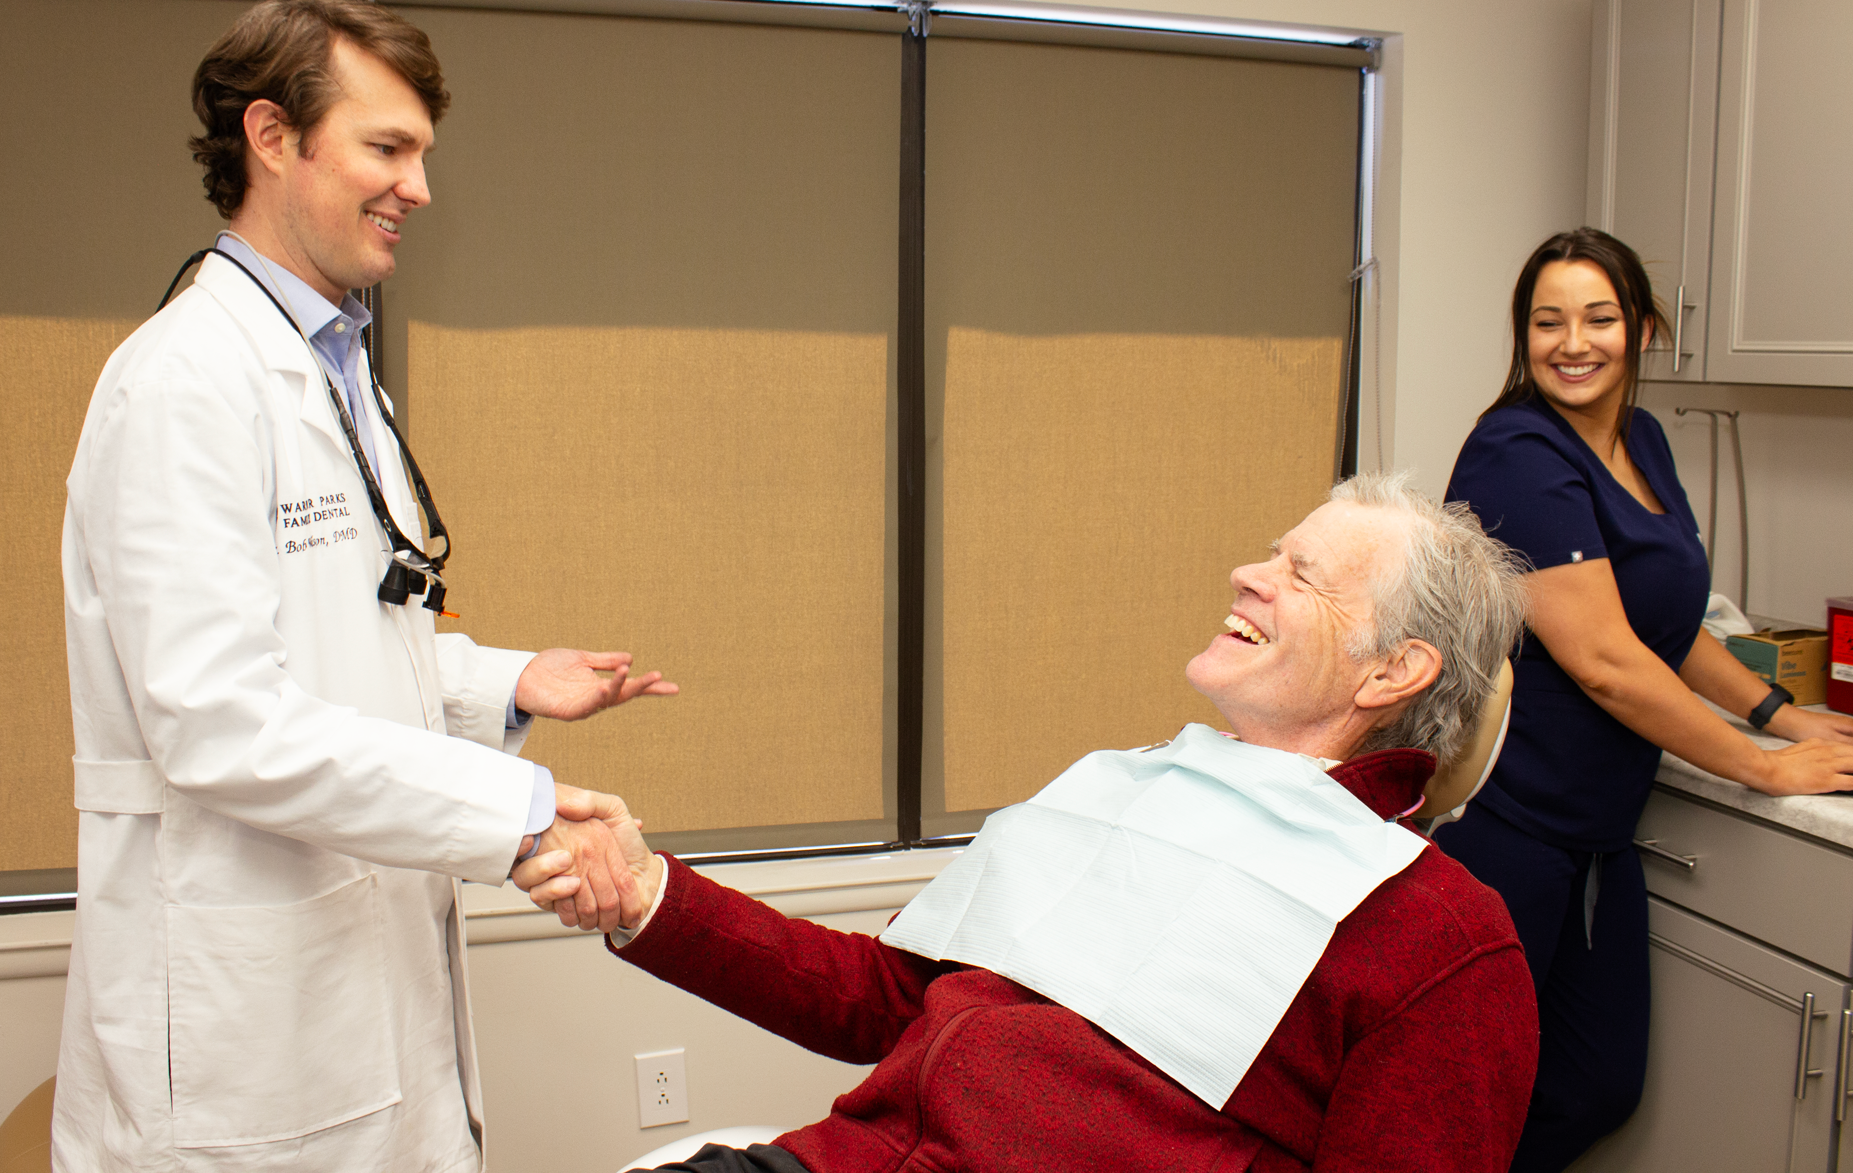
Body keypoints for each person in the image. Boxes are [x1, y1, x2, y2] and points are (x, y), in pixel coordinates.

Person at [52, 0, 669, 1172]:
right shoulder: (186, 381)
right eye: (388, 148)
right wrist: (525, 812)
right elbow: (217, 720)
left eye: (422, 153)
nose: (419, 188)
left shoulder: (331, 370)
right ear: (272, 137)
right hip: (248, 1047)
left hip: (358, 996)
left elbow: (339, 646)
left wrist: (504, 683)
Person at [523, 473, 1541, 1173]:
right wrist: (649, 891)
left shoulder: (1437, 942)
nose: (1246, 573)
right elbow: (885, 1002)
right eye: (1270, 552)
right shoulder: (1124, 793)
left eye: (1301, 575)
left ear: (1392, 669)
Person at [1433, 227, 1853, 1172]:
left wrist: (1778, 712)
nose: (1572, 343)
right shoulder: (1516, 451)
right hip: (1509, 826)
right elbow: (1606, 661)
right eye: (1548, 322)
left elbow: (1663, 622)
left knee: (1595, 1085)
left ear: (1645, 331)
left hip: (1597, 831)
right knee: (1469, 1095)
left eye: (1599, 318)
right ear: (1523, 336)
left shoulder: (1643, 441)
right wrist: (1764, 768)